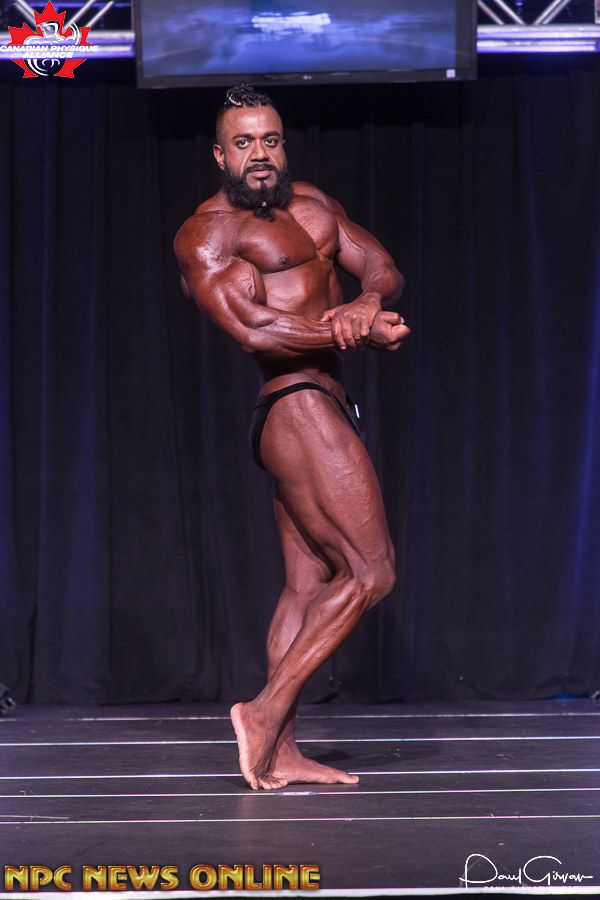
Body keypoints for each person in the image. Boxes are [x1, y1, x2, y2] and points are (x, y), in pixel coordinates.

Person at [174, 84, 409, 791]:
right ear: (220, 155)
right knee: (372, 572)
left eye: (270, 140)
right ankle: (264, 712)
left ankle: (279, 752)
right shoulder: (208, 233)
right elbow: (253, 328)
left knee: (306, 587)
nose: (260, 155)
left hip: (323, 398)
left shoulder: (315, 205)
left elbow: (381, 265)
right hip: (294, 402)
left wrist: (368, 302)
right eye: (244, 143)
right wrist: (351, 331)